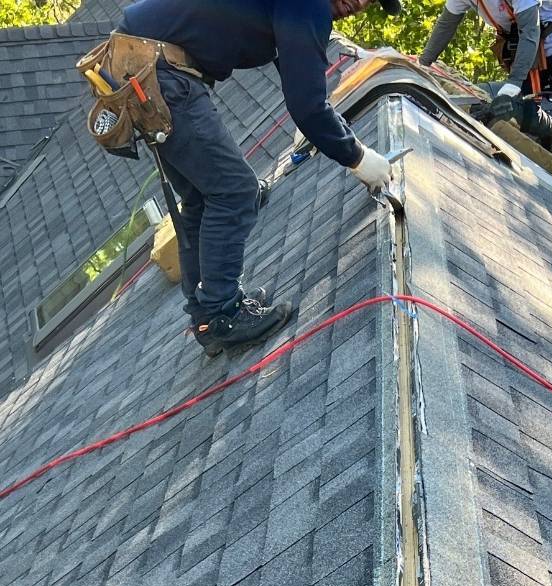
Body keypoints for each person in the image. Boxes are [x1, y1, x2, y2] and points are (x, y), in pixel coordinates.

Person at [115, 0, 399, 357]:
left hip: (137, 61)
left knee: (202, 197)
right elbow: (307, 107)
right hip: (157, 72)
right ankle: (223, 314)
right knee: (235, 192)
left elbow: (303, 84)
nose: (358, 3)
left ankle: (207, 318)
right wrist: (358, 157)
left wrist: (337, 132)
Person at [419, 0, 552, 174]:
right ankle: (548, 128)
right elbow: (446, 24)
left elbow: (530, 32)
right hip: (525, 55)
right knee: (519, 113)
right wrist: (423, 64)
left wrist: (514, 83)